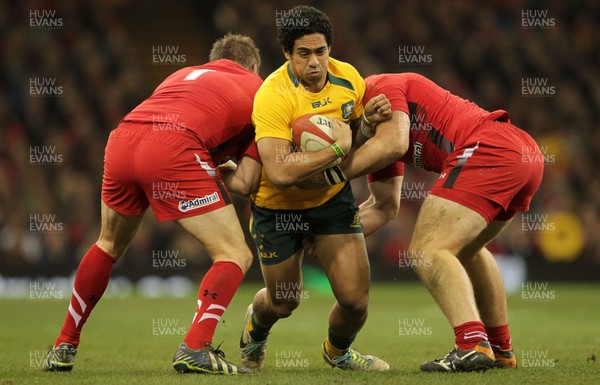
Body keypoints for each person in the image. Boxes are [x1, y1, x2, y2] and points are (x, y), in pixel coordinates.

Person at [44, 34, 264, 375]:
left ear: (212, 61)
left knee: (108, 243)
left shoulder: (183, 75)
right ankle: (195, 347)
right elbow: (247, 181)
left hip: (123, 139)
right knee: (235, 253)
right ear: (253, 67)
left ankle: (63, 345)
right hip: (173, 146)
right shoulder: (260, 90)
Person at [321, 72, 544, 372]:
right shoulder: (382, 133)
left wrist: (330, 173)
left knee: (427, 250)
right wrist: (326, 233)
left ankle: (471, 344)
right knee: (467, 250)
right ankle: (501, 349)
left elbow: (394, 145)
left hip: (490, 146)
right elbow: (383, 207)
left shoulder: (377, 89)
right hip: (521, 154)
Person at [237, 5, 392, 372]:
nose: (314, 62)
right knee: (283, 303)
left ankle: (338, 352)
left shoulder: (350, 79)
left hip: (329, 201)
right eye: (303, 53)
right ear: (287, 53)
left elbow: (354, 135)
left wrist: (366, 125)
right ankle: (255, 331)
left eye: (320, 51)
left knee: (355, 301)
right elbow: (279, 172)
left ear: (329, 49)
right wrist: (337, 149)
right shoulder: (273, 95)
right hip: (278, 208)